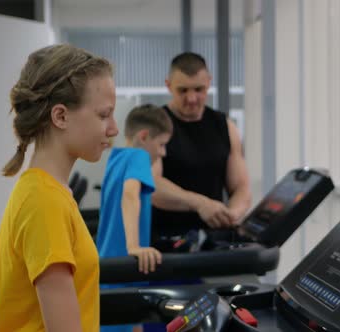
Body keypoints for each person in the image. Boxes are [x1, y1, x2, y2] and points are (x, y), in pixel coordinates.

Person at [0, 44, 118, 332]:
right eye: (103, 115)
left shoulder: (50, 193)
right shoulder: (44, 202)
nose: (113, 129)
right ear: (60, 116)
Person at [151, 52, 252, 243]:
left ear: (208, 83)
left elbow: (241, 187)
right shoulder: (155, 125)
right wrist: (200, 204)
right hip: (164, 241)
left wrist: (231, 214)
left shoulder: (225, 126)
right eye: (183, 90)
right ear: (168, 85)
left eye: (199, 89)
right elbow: (151, 185)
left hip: (211, 241)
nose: (192, 98)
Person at [96, 104, 172, 332]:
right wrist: (134, 246)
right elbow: (130, 193)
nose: (163, 153)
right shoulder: (138, 156)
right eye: (161, 144)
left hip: (111, 275)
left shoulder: (115, 158)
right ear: (144, 136)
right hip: (121, 272)